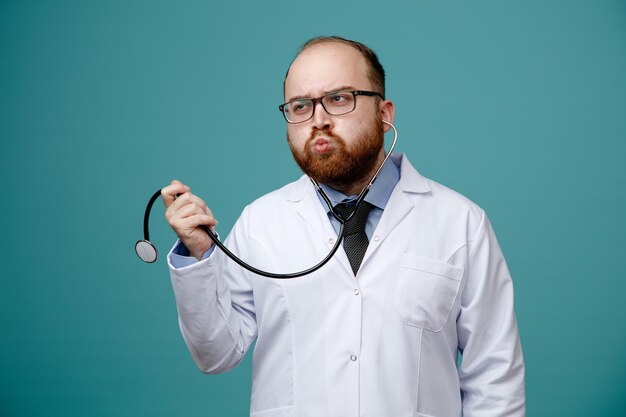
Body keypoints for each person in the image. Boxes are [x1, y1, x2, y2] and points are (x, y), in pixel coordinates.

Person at [161, 36, 525, 417]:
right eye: (300, 106)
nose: (318, 120)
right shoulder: (261, 222)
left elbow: (495, 379)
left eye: (338, 99)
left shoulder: (460, 223)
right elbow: (215, 353)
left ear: (385, 115)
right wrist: (199, 255)